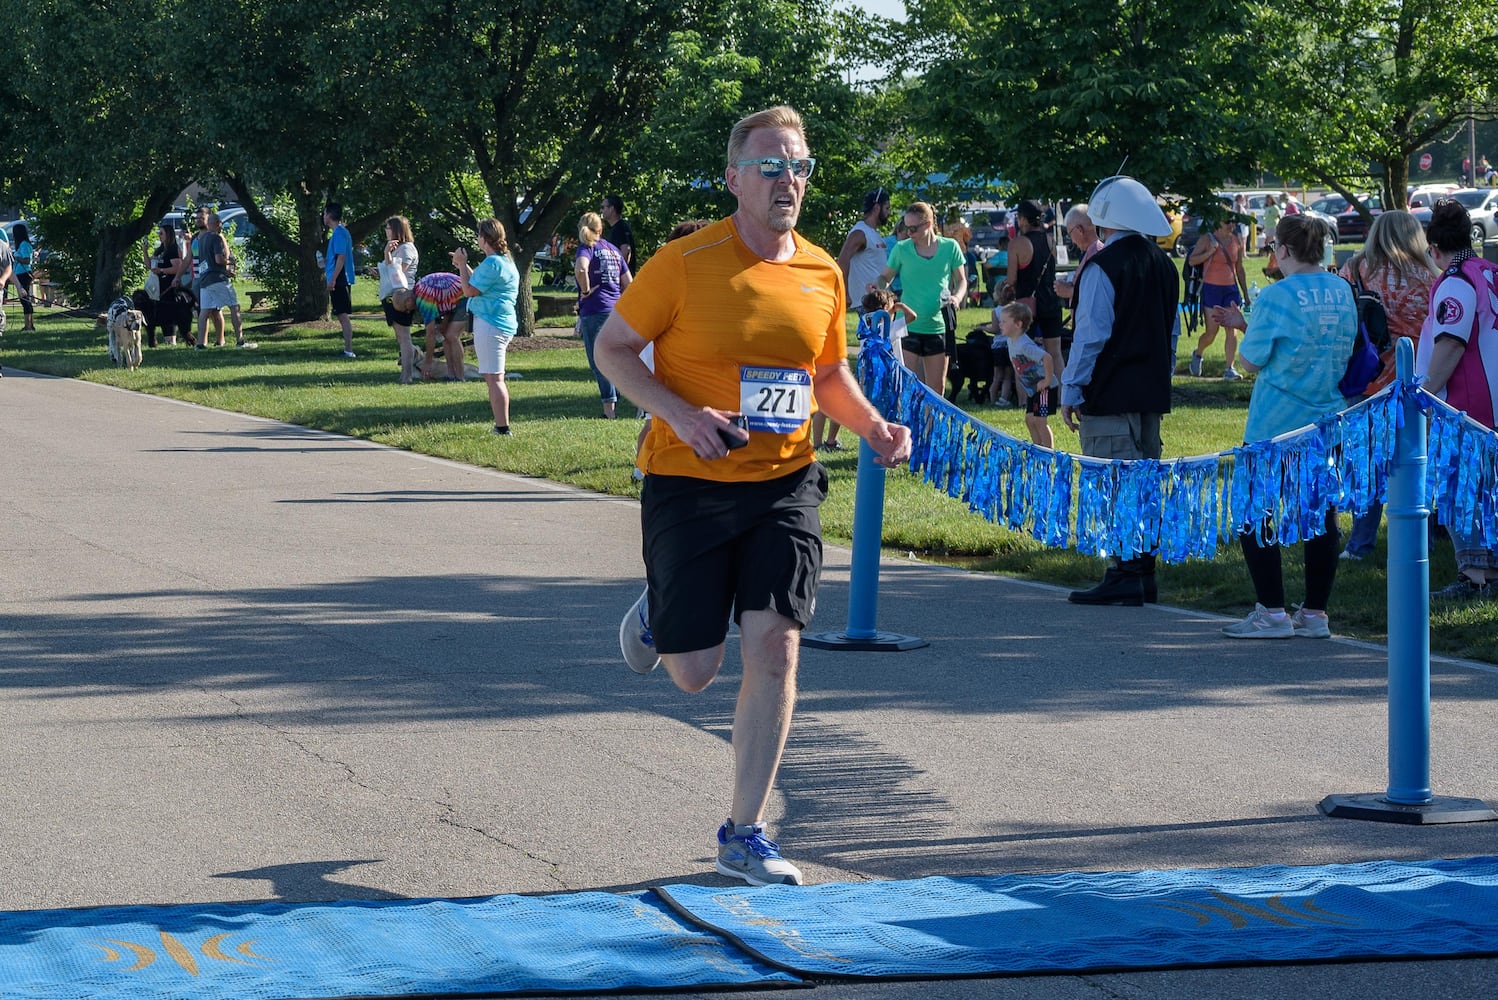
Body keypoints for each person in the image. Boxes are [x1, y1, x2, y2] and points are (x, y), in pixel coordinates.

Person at [593, 104, 912, 887]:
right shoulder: (683, 261)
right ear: (734, 177)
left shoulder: (822, 272)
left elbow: (826, 374)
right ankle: (661, 610)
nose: (788, 181)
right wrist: (678, 412)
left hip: (785, 484)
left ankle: (744, 834)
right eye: (771, 166)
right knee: (694, 670)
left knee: (777, 646)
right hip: (687, 477)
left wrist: (874, 427)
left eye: (799, 166)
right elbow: (614, 349)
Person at [1209, 214, 1356, 637]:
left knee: (1257, 515)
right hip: (1327, 418)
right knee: (1320, 518)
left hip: (1276, 424)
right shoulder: (1341, 288)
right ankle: (1314, 614)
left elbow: (1250, 361)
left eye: (1274, 247)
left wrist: (1244, 329)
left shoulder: (1277, 296)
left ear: (1285, 250)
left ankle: (1271, 611)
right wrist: (1247, 323)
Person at [1060, 176, 1180, 607]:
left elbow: (1090, 335)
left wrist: (1071, 389)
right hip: (1151, 392)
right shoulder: (1165, 266)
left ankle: (1124, 572)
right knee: (1143, 481)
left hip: (1110, 392)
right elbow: (1171, 334)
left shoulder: (1103, 265)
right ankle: (1142, 571)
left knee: (1113, 482)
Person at [1337, 210, 1439, 561]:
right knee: (1414, 463)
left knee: (1366, 465)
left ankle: (1360, 544)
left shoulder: (1355, 269)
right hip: (1416, 382)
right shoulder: (1431, 277)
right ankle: (1420, 539)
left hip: (1366, 377)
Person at [1416, 198, 1498, 599]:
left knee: (1461, 488)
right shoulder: (1489, 271)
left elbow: (1450, 342)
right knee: (1490, 490)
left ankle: (1475, 578)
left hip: (1467, 405)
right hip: (1492, 402)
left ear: (1434, 247)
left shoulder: (1456, 281)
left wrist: (1424, 395)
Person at [871, 201, 967, 395]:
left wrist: (956, 297)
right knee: (905, 387)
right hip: (908, 325)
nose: (909, 233)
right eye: (906, 228)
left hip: (938, 326)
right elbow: (885, 277)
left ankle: (930, 426)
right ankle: (908, 426)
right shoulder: (901, 249)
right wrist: (877, 287)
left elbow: (961, 280)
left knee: (936, 391)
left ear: (929, 224)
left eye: (914, 229)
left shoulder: (950, 247)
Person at [829, 187, 893, 451]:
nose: (890, 211)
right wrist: (839, 297)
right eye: (887, 206)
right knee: (867, 372)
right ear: (877, 207)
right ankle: (847, 433)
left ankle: (858, 429)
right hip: (867, 309)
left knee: (870, 371)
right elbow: (841, 263)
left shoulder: (874, 235)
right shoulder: (859, 233)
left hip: (879, 307)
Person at [454, 218, 520, 436]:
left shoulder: (492, 263)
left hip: (491, 323)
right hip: (499, 323)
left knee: (494, 377)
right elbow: (478, 283)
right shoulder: (503, 261)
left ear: (484, 238)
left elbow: (469, 291)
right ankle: (501, 425)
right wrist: (463, 267)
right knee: (493, 376)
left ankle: (502, 428)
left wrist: (462, 265)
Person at [574, 212, 631, 419]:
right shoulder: (614, 250)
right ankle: (617, 400)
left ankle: (609, 410)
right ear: (601, 229)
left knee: (598, 360)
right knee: (614, 358)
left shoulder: (587, 247)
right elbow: (629, 283)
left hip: (595, 310)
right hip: (616, 311)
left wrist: (586, 290)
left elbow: (581, 268)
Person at [1004, 199, 1066, 380]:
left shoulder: (1017, 244)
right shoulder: (1051, 240)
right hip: (1051, 302)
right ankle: (1063, 396)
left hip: (1026, 306)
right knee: (1055, 352)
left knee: (1022, 352)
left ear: (1023, 219)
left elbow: (1011, 280)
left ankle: (1026, 399)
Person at [1187, 215, 1250, 380]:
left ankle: (1229, 368)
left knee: (1232, 329)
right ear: (1218, 222)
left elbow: (1240, 269)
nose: (1231, 224)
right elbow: (1192, 261)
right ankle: (1198, 353)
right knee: (1211, 333)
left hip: (1230, 289)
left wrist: (1246, 294)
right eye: (1227, 221)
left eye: (1233, 221)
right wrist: (1210, 252)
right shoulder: (1207, 239)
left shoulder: (1236, 240)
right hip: (1212, 289)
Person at [390, 271, 467, 381]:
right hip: (456, 300)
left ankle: (460, 376)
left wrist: (428, 361)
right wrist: (443, 326)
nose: (408, 312)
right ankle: (451, 374)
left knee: (452, 336)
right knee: (444, 335)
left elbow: (430, 334)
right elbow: (446, 302)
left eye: (406, 309)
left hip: (466, 297)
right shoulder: (418, 289)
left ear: (408, 300)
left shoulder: (424, 300)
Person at [195, 211, 251, 350]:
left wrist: (224, 269)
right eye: (220, 223)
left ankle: (200, 344)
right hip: (217, 279)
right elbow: (218, 259)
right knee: (234, 306)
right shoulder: (216, 238)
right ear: (216, 224)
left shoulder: (201, 239)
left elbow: (207, 262)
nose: (221, 226)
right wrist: (229, 261)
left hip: (204, 279)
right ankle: (240, 341)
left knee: (204, 312)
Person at [378, 216, 419, 383]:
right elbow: (390, 270)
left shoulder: (407, 249)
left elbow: (398, 273)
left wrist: (387, 254)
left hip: (403, 295)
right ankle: (405, 373)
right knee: (400, 337)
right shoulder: (397, 248)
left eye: (388, 228)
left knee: (404, 336)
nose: (386, 231)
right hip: (391, 294)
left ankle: (408, 375)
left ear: (397, 229)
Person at [144, 223, 192, 347]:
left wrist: (162, 271)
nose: (159, 236)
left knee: (170, 313)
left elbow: (177, 267)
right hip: (158, 287)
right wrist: (145, 251)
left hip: (169, 285)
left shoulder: (173, 250)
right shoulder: (160, 250)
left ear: (168, 235)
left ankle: (171, 340)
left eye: (161, 233)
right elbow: (150, 266)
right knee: (161, 312)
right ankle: (167, 339)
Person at [324, 202, 357, 358]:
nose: (323, 217)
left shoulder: (339, 233)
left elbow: (341, 257)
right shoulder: (340, 233)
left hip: (340, 279)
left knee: (343, 315)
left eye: (324, 214)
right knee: (341, 314)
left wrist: (333, 280)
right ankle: (347, 349)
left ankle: (349, 350)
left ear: (329, 216)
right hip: (339, 278)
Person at [1053, 204, 1103, 308]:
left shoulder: (1098, 255)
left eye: (1070, 233)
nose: (1072, 240)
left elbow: (1099, 294)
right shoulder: (1091, 252)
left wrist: (1070, 291)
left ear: (1079, 230)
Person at [10, 223, 34, 332]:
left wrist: (16, 257)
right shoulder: (21, 245)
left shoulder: (24, 244)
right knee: (24, 299)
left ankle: (28, 325)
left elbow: (27, 260)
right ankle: (29, 325)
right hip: (19, 274)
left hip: (24, 274)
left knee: (25, 299)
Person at [599, 194, 634, 268]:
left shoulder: (621, 228)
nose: (601, 210)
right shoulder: (614, 228)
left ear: (611, 209)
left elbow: (626, 252)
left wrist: (619, 273)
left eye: (603, 207)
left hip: (621, 278)